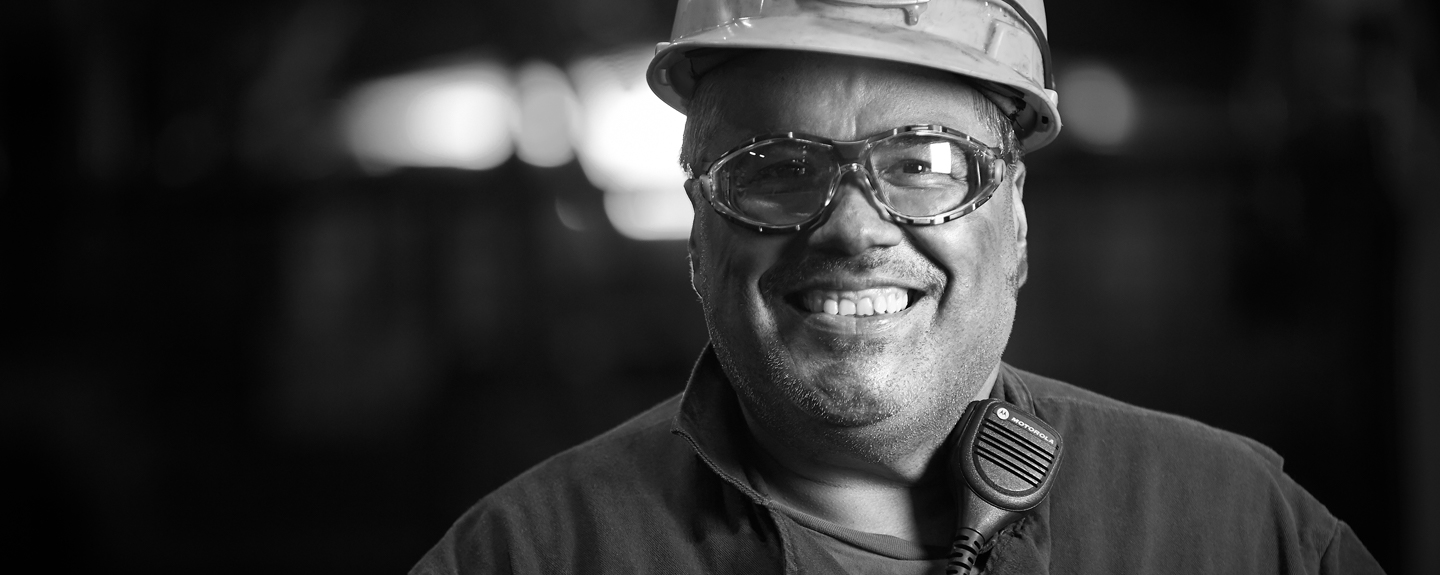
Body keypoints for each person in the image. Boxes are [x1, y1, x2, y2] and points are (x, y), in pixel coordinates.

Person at [412, 0, 1385, 573]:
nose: (850, 226)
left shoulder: (1234, 528)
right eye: (775, 166)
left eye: (925, 162)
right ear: (700, 235)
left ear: (1016, 224)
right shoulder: (531, 552)